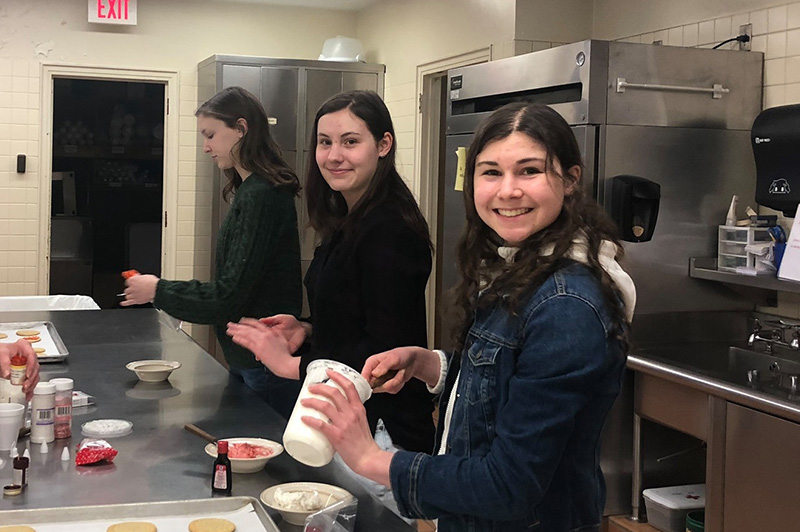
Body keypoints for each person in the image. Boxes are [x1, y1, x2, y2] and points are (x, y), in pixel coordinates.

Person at [295, 102, 636, 532]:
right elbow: (505, 381)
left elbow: (509, 485)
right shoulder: (519, 268)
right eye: (491, 172)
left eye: (528, 170)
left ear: (570, 180)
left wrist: (373, 459)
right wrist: (429, 365)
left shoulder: (566, 306)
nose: (507, 191)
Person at [226, 90, 436, 483]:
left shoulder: (390, 229)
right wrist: (306, 329)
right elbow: (357, 315)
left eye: (350, 141)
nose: (334, 155)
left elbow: (383, 354)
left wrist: (290, 365)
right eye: (325, 142)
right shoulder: (350, 217)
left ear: (383, 145)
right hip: (348, 420)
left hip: (382, 433)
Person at [121, 86, 303, 418]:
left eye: (211, 135)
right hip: (251, 357)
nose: (206, 147)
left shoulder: (261, 196)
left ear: (242, 129)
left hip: (264, 363)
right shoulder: (251, 191)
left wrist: (158, 290)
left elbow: (228, 296)